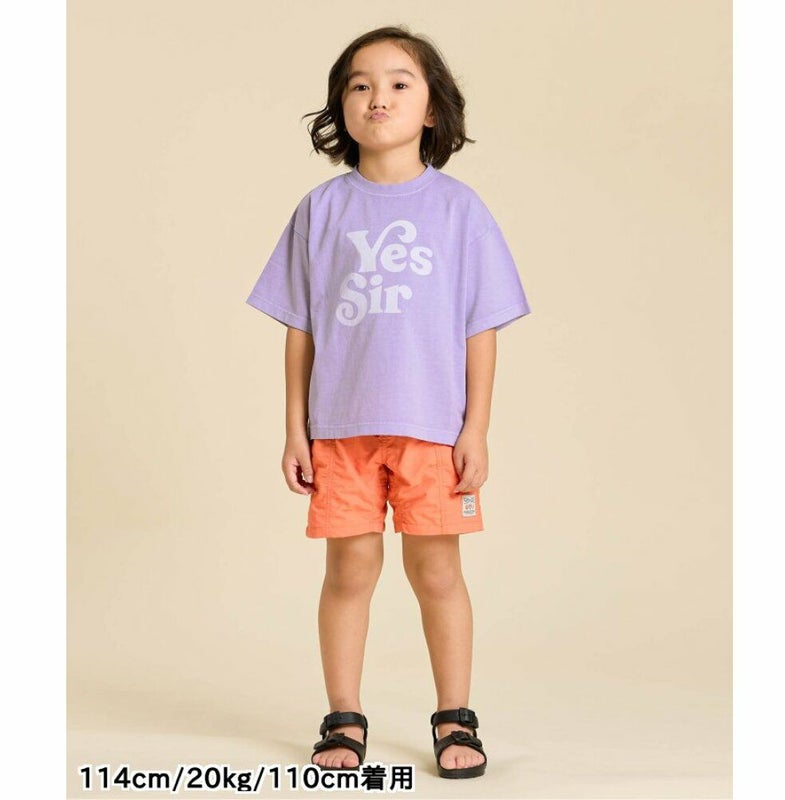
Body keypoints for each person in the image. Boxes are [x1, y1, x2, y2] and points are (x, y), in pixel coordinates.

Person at [245, 25, 531, 780]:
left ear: (432, 108)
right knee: (349, 572)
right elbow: (301, 330)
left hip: (432, 431)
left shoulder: (460, 211)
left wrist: (475, 429)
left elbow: (480, 328)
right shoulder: (321, 210)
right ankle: (343, 717)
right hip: (340, 432)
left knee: (437, 572)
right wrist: (295, 430)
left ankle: (454, 715)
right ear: (342, 106)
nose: (379, 97)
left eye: (400, 83)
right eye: (361, 84)